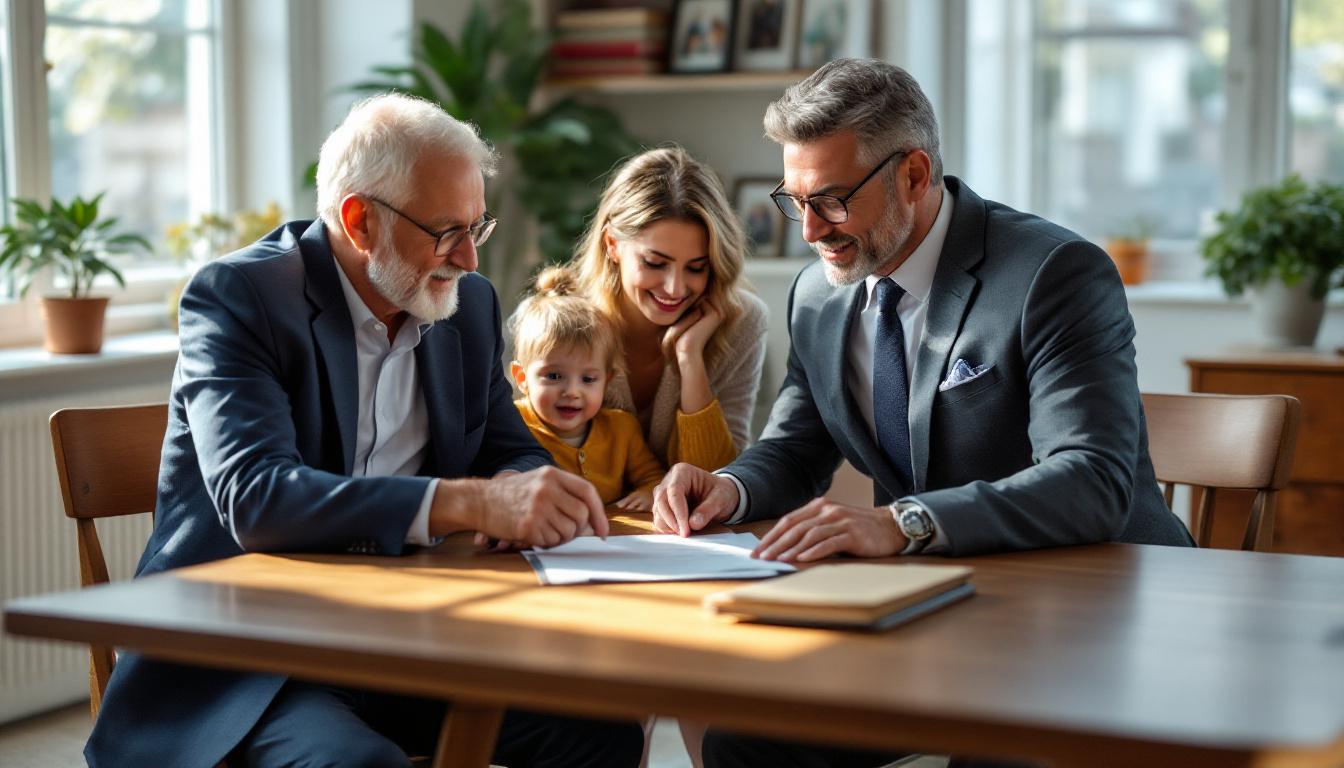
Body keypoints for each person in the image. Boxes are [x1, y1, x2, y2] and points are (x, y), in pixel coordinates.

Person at [651, 59, 1194, 768]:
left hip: (1094, 608)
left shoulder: (1053, 272)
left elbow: (1091, 479)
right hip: (933, 608)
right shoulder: (819, 295)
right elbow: (796, 444)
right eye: (796, 199)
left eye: (834, 200)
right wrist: (733, 487)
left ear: (912, 174)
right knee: (747, 739)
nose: (810, 231)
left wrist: (900, 522)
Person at [84, 93, 642, 768]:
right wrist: (465, 503)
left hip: (406, 634)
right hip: (251, 653)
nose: (468, 258)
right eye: (446, 232)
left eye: (478, 227)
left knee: (601, 726)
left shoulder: (465, 308)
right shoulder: (243, 296)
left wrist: (518, 486)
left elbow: (508, 447)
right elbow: (255, 497)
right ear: (360, 221)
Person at [572, 146, 769, 474]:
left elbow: (720, 479)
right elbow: (541, 459)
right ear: (612, 245)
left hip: (690, 525)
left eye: (696, 268)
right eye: (654, 263)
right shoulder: (561, 322)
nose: (675, 289)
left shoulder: (742, 322)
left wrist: (690, 361)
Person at [510, 266, 665, 509]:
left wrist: (649, 493)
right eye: (553, 375)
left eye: (589, 379)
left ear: (608, 380)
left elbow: (654, 478)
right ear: (522, 377)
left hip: (609, 538)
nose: (572, 391)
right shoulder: (513, 423)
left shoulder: (621, 429)